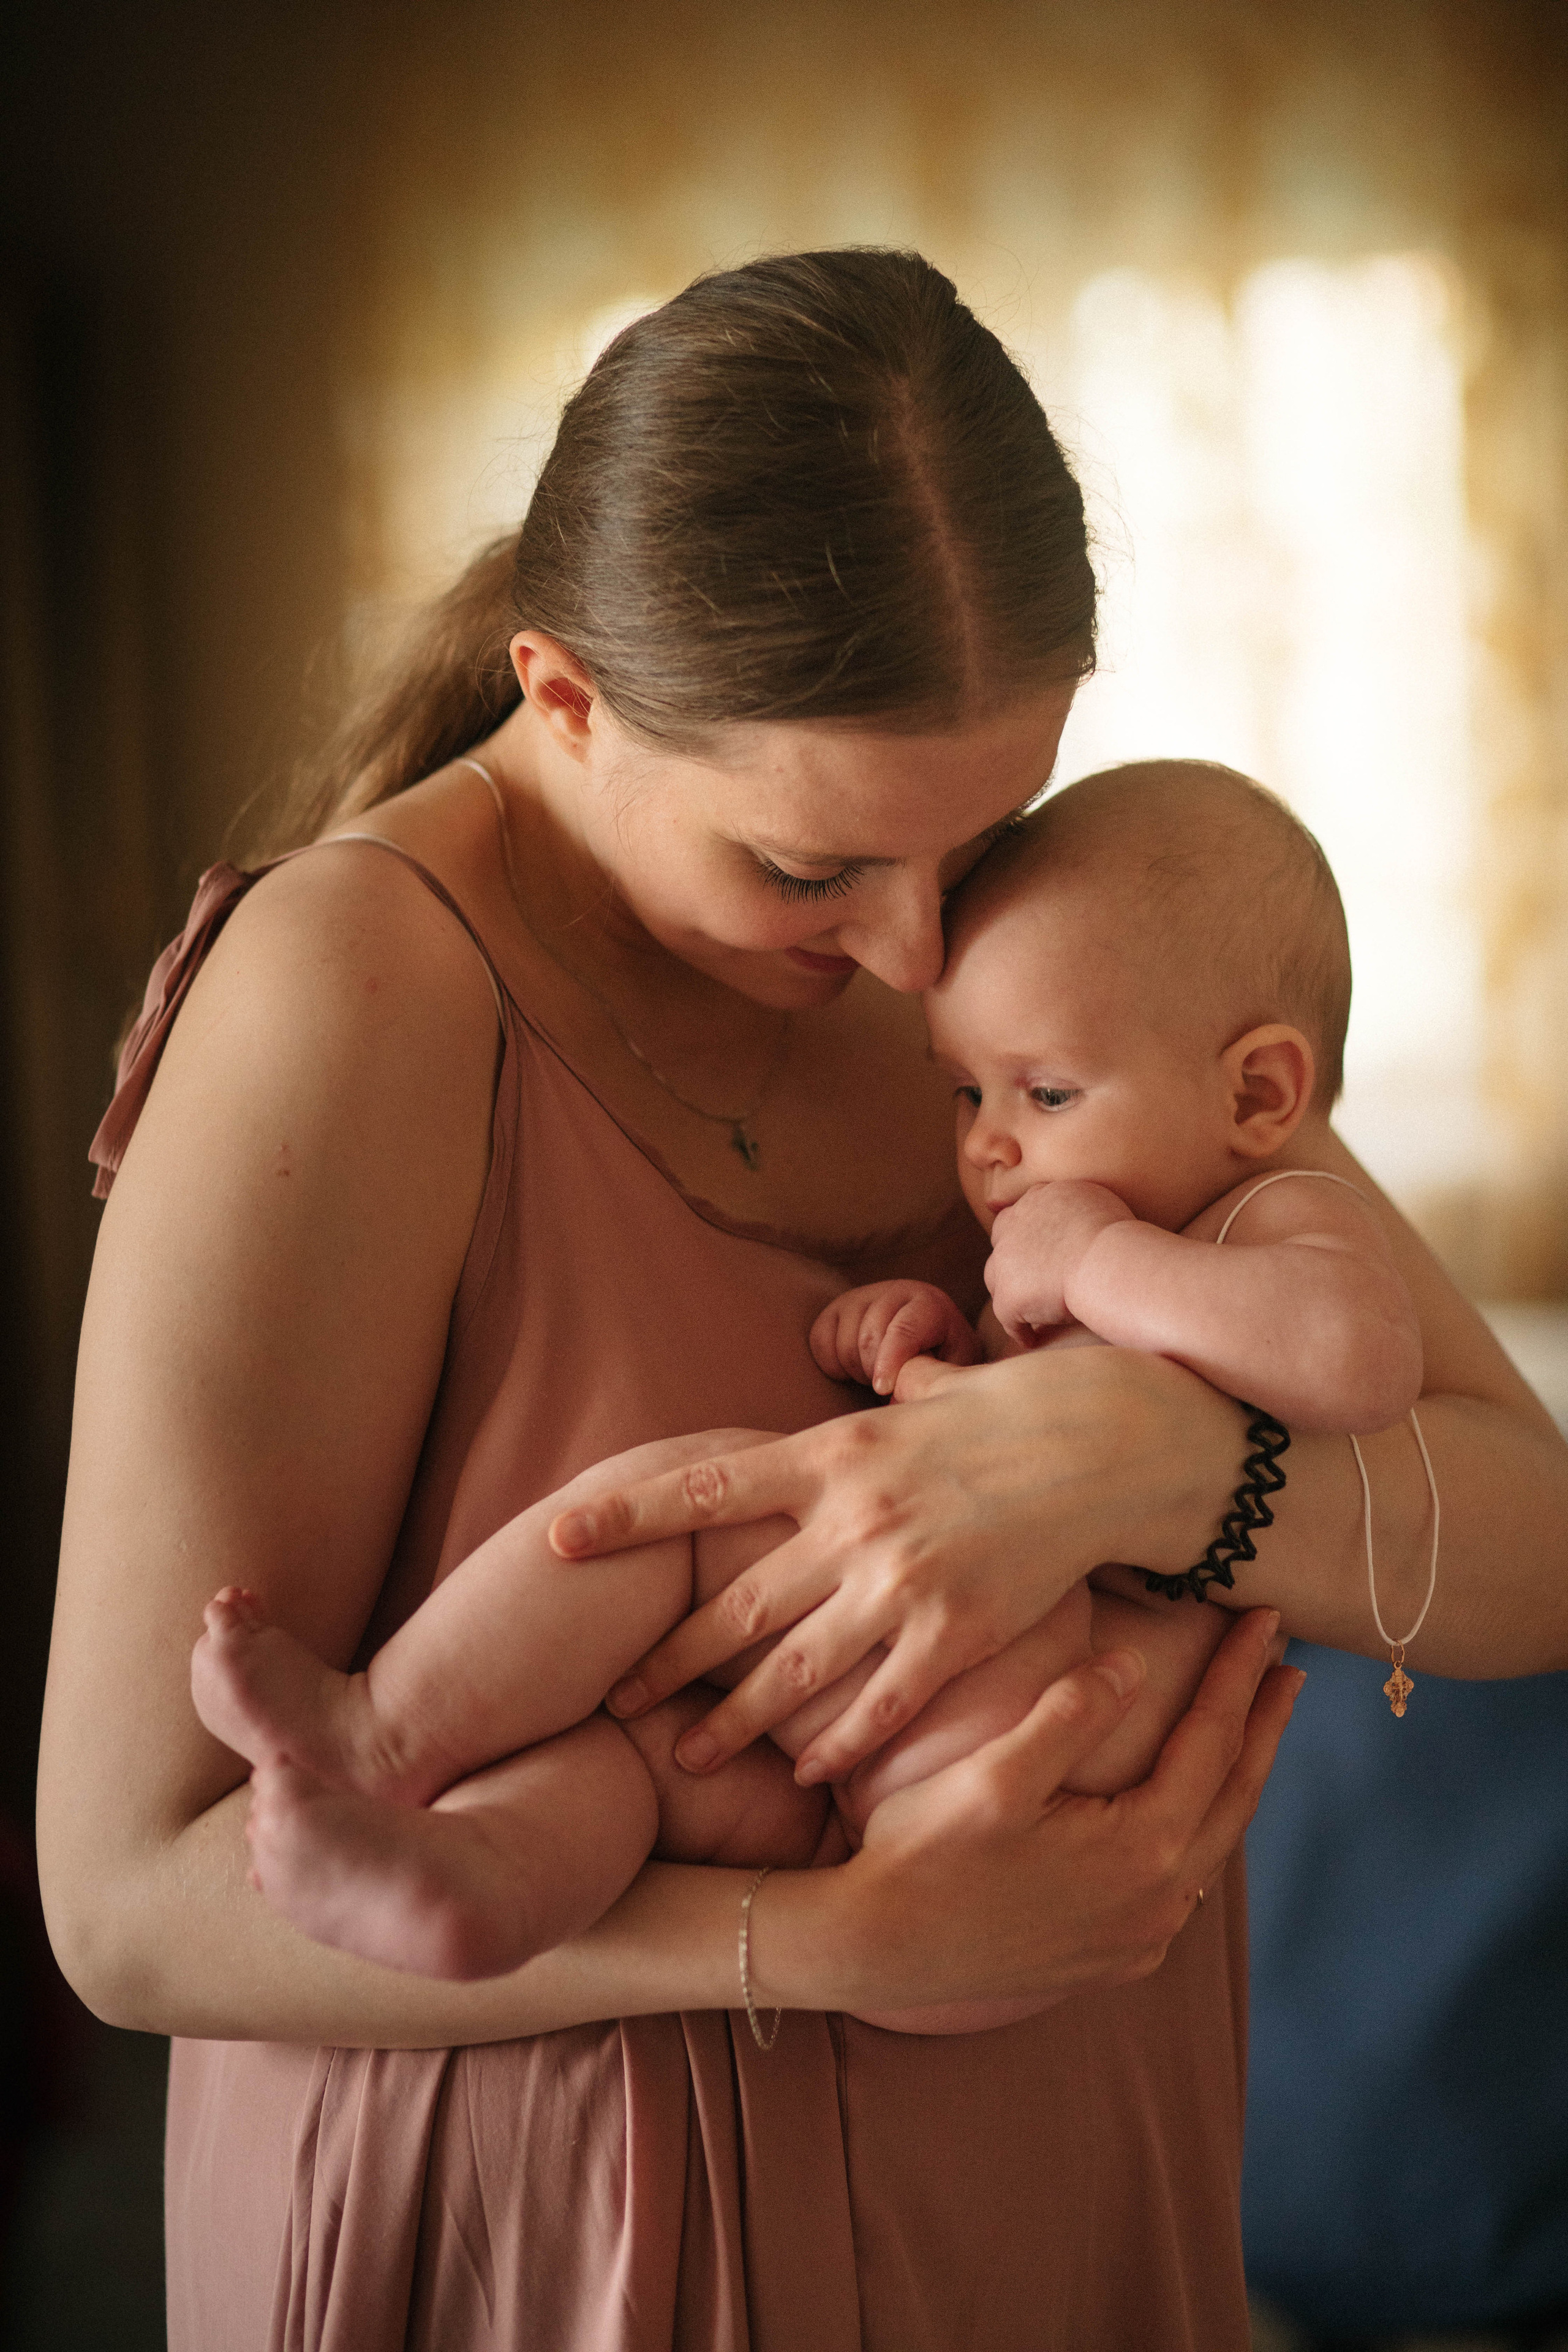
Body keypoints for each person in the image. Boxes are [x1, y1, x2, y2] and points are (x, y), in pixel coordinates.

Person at [34, 249, 1568, 2352]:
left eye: (985, 818)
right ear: (563, 698)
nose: (928, 952)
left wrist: (1142, 1455)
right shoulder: (354, 997)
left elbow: (1525, 1539)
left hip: (1076, 2212)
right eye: (809, 869)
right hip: (572, 2247)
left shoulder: (1024, 945)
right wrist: (826, 1940)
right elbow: (126, 1904)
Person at [182, 760, 1419, 2030]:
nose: (990, 1143)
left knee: (671, 1511)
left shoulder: (1275, 1212)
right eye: (967, 1093)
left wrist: (1095, 1263)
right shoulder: (1086, 1212)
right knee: (635, 1757)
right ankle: (478, 1886)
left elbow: (1351, 1359)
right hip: (901, 1728)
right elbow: (1022, 1414)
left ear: (1257, 1091)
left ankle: (385, 1731)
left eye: (1045, 1093)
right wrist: (934, 1333)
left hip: (1044, 1717)